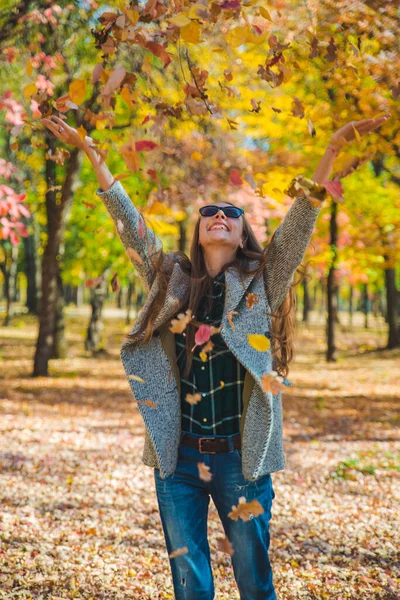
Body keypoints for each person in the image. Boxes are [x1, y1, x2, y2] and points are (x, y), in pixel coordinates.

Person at [41, 113, 390, 599]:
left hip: (241, 459)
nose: (219, 214)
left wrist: (330, 150)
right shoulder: (172, 281)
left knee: (253, 579)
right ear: (199, 229)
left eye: (231, 211)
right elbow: (131, 228)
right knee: (190, 584)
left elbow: (297, 228)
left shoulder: (261, 285)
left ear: (243, 231)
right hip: (178, 458)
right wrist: (94, 158)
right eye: (210, 210)